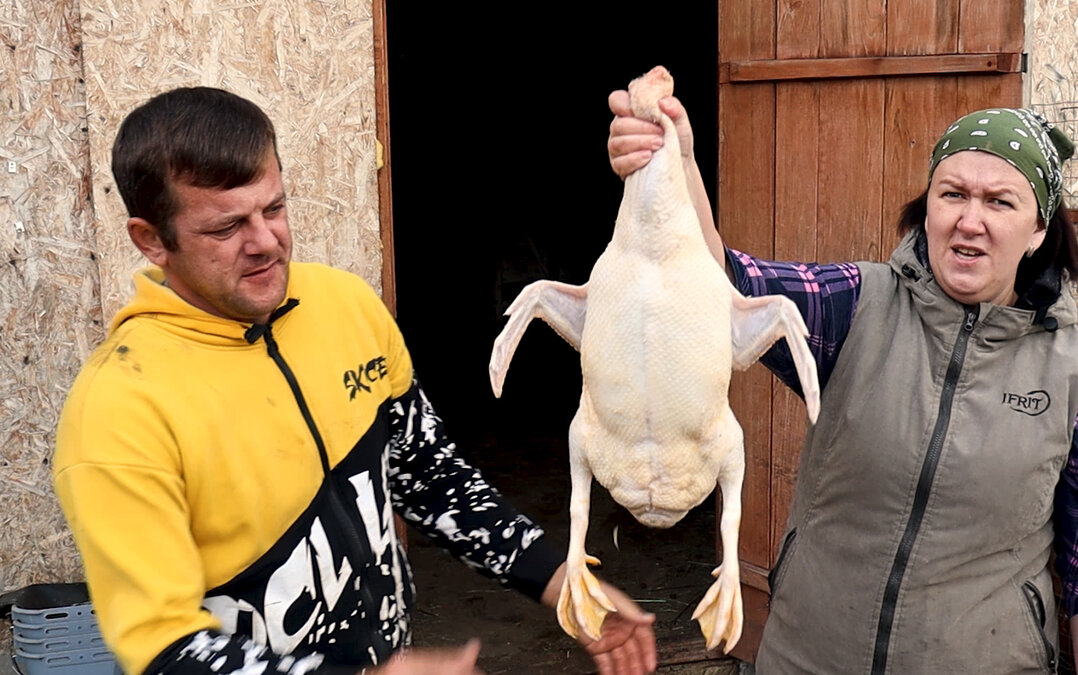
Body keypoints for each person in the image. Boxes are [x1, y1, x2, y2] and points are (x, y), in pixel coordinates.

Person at [53, 86, 657, 675]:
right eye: (225, 228)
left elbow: (429, 474)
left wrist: (562, 583)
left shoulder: (344, 304)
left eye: (275, 208)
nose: (265, 243)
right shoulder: (119, 410)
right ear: (151, 240)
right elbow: (165, 653)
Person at [606, 90, 1078, 673]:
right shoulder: (858, 306)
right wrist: (677, 162)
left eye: (1000, 201)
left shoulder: (1075, 371)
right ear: (929, 208)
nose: (970, 219)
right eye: (953, 193)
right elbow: (719, 287)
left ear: (1038, 229)